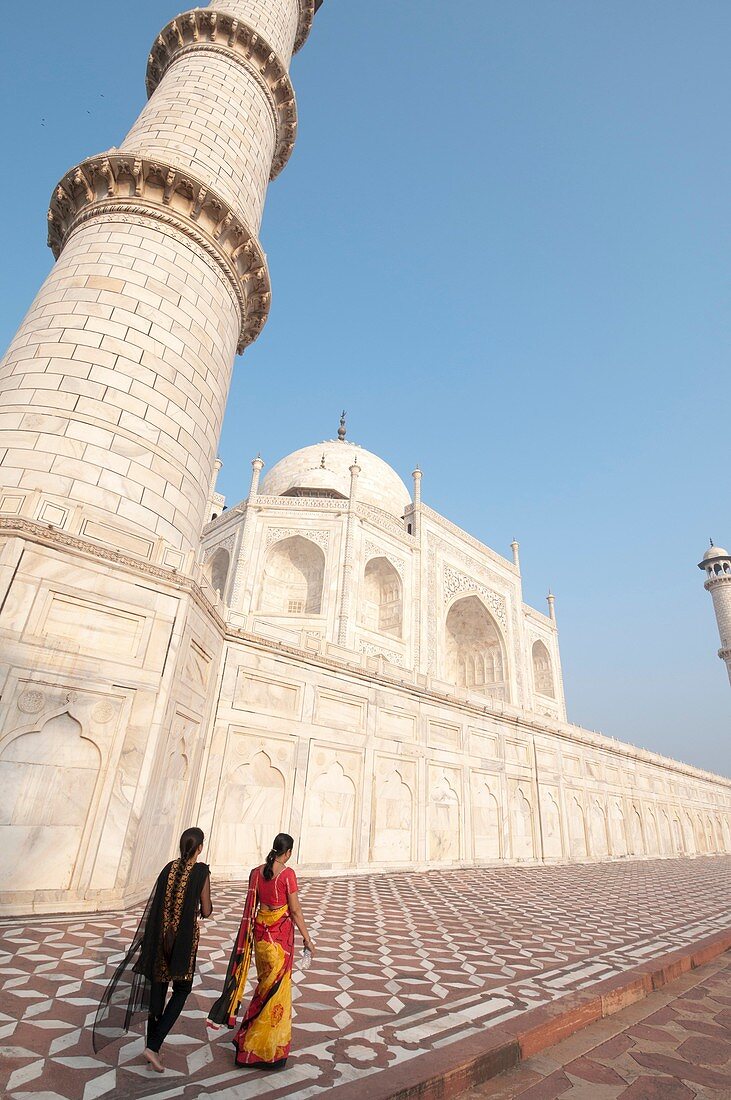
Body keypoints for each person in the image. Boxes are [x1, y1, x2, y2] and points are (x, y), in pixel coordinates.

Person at [92, 826, 212, 1072]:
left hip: (160, 940)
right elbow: (207, 909)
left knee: (157, 992)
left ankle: (152, 1046)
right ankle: (154, 1045)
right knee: (181, 990)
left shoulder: (168, 868)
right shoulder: (201, 871)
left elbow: (156, 905)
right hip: (183, 944)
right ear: (199, 848)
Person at [208, 832, 313, 1071]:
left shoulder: (256, 873)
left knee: (264, 986)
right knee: (274, 992)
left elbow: (253, 907)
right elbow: (295, 911)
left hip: (261, 937)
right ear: (287, 853)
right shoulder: (287, 875)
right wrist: (308, 939)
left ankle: (249, 1039)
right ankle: (263, 1048)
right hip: (279, 941)